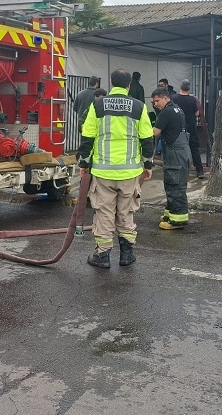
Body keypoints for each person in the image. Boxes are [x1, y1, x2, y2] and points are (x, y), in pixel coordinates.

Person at [78, 69, 154, 268]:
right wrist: (148, 164)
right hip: (130, 172)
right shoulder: (139, 107)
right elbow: (147, 138)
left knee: (103, 212)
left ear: (112, 84)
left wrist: (84, 164)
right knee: (126, 211)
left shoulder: (98, 105)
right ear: (128, 85)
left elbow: (88, 137)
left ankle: (102, 255)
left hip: (103, 172)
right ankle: (127, 254)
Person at [151, 87, 192, 230]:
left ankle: (178, 220)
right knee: (172, 183)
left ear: (165, 98)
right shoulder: (177, 109)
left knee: (175, 186)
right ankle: (170, 214)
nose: (155, 104)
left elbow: (155, 132)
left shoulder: (166, 112)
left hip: (175, 154)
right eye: (153, 102)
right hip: (181, 152)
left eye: (157, 101)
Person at [171, 79, 205, 179]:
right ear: (189, 88)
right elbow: (197, 113)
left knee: (177, 148)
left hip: (177, 127)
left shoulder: (173, 98)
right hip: (190, 126)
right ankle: (200, 171)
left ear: (180, 87)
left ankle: (178, 170)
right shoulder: (193, 99)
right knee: (194, 148)